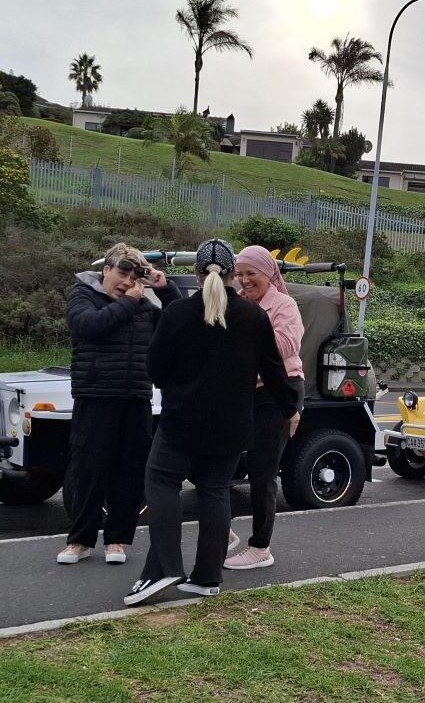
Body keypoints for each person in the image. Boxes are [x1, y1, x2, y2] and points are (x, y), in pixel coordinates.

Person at [125, 239, 300, 606]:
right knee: (215, 491)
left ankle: (165, 567)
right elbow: (274, 370)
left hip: (183, 420)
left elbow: (155, 369)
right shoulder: (254, 316)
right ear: (233, 274)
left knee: (161, 482)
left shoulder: (178, 313)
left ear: (196, 273)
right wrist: (290, 408)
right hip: (232, 424)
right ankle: (207, 577)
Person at [58, 243, 180, 566]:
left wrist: (165, 290)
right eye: (121, 274)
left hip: (136, 397)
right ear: (106, 271)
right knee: (89, 470)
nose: (127, 282)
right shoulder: (83, 295)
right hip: (95, 395)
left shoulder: (144, 306)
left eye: (134, 278)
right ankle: (79, 541)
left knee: (130, 472)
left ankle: (118, 540)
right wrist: (128, 303)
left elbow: (178, 325)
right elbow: (89, 326)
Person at [224, 245, 305, 571]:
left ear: (269, 273)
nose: (244, 280)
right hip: (245, 392)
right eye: (239, 274)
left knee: (262, 471)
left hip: (279, 391)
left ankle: (260, 547)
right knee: (216, 459)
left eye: (251, 273)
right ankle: (222, 529)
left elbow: (286, 345)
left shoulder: (284, 305)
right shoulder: (239, 303)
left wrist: (245, 337)